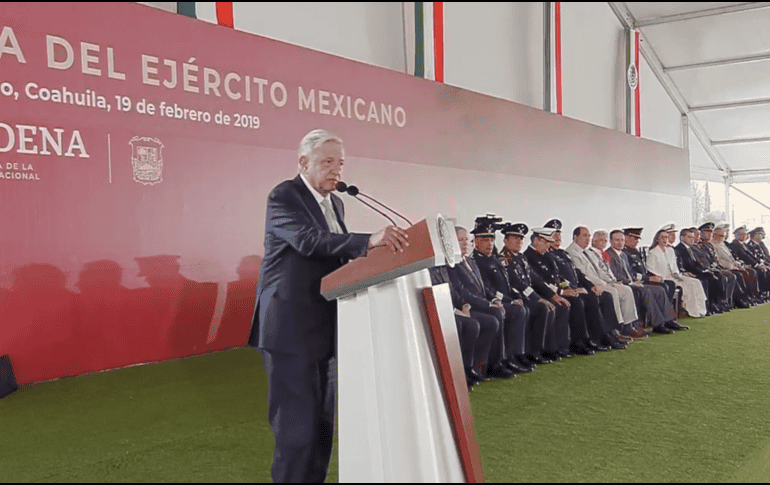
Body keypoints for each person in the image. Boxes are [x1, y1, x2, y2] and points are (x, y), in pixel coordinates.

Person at [248, 129, 409, 483]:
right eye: (327, 162)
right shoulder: (284, 196)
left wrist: (372, 257)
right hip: (291, 330)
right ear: (303, 163)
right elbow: (309, 241)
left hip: (327, 328)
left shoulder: (335, 203)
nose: (336, 170)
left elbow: (334, 259)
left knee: (321, 430)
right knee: (296, 432)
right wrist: (369, 241)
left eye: (341, 163)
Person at [447, 225, 527, 377]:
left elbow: (484, 288)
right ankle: (493, 364)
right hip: (471, 306)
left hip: (481, 302)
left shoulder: (470, 261)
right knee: (495, 315)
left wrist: (495, 299)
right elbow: (463, 292)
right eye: (460, 240)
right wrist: (488, 304)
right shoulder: (452, 265)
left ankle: (505, 359)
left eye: (466, 240)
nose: (465, 243)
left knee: (510, 310)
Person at [470, 216, 536, 368]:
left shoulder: (494, 259)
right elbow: (488, 289)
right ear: (476, 242)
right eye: (485, 240)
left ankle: (516, 355)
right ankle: (503, 359)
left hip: (504, 299)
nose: (489, 244)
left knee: (522, 308)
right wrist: (508, 300)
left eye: (491, 240)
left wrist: (516, 297)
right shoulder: (477, 261)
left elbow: (508, 283)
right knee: (516, 311)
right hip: (491, 301)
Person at [500, 222, 571, 361]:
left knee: (549, 306)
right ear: (505, 241)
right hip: (515, 297)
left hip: (527, 296)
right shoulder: (504, 259)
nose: (519, 242)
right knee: (541, 307)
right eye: (515, 238)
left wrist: (552, 294)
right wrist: (537, 298)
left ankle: (542, 350)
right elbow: (518, 284)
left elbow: (535, 279)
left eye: (521, 238)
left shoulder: (520, 257)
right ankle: (530, 353)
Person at [605, 230, 681, 333]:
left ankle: (668, 320)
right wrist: (631, 282)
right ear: (611, 241)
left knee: (659, 290)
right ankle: (657, 324)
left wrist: (638, 279)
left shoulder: (622, 254)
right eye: (617, 240)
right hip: (623, 284)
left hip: (634, 281)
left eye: (622, 240)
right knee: (646, 291)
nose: (620, 243)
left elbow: (630, 272)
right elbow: (615, 274)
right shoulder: (608, 254)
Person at [646, 226, 707, 318]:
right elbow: (650, 268)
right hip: (663, 277)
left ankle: (699, 310)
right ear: (657, 238)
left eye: (666, 237)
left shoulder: (670, 250)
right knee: (685, 286)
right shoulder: (653, 252)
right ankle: (690, 311)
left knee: (695, 282)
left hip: (674, 276)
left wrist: (676, 273)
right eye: (662, 237)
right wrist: (659, 276)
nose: (665, 239)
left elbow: (674, 265)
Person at [674, 228, 726, 314]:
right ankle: (707, 307)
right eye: (689, 237)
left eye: (693, 237)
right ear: (682, 238)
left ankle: (713, 305)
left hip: (695, 271)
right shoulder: (679, 249)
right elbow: (686, 265)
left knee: (712, 277)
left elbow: (696, 263)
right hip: (689, 272)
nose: (692, 239)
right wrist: (701, 271)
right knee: (706, 279)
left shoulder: (689, 247)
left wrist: (704, 270)